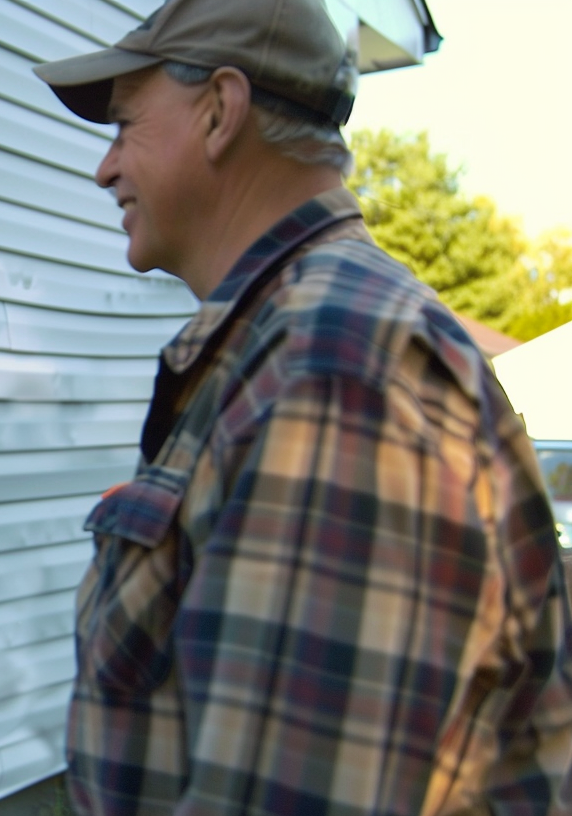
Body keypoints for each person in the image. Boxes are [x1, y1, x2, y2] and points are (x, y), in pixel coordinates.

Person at [33, 0, 572, 813]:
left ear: (220, 110)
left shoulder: (332, 367)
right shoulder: (301, 339)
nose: (105, 168)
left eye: (126, 125)